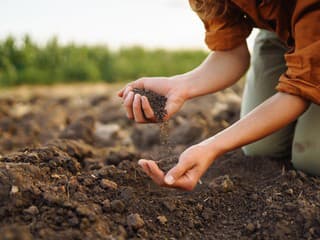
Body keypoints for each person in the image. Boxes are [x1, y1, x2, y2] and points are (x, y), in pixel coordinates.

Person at [118, 0, 320, 191]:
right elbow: (231, 54)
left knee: (311, 159)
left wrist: (211, 147)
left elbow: (299, 89)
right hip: (282, 28)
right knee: (261, 147)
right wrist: (180, 86)